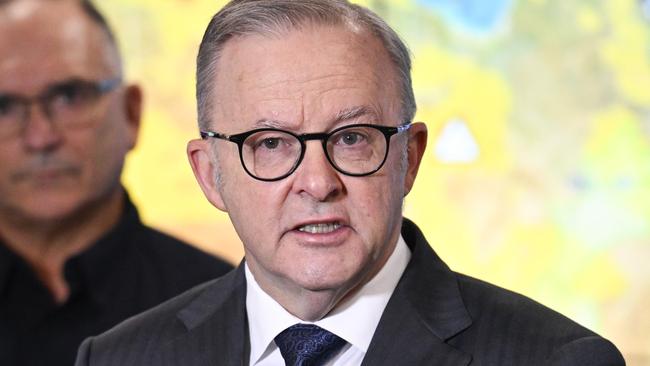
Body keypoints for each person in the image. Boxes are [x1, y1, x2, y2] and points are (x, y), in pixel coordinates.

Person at [75, 1, 625, 365]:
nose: (317, 182)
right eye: (270, 143)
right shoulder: (119, 357)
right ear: (209, 174)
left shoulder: (557, 359)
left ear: (408, 159)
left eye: (352, 137)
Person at [0, 1, 233, 365]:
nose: (40, 137)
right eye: (4, 107)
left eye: (69, 97)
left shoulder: (230, 306)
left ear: (131, 113)